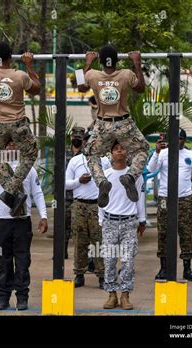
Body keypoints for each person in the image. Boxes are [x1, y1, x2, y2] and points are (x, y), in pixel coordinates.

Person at [0, 140, 48, 311]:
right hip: (1, 222)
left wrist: (43, 215)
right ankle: (3, 297)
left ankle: (22, 297)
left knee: (23, 261)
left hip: (22, 222)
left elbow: (37, 193)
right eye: (7, 144)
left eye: (14, 143)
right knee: (4, 260)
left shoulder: (28, 170)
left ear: (19, 147)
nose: (11, 147)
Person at [0, 41, 41, 217]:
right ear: (11, 57)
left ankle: (10, 192)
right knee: (31, 153)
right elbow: (36, 89)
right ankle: (11, 191)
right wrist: (29, 66)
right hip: (18, 124)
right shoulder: (20, 76)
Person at [78, 44, 149, 209]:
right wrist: (137, 63)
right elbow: (141, 88)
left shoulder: (92, 75)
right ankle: (131, 177)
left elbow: (80, 87)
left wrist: (87, 62)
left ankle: (102, 181)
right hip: (124, 123)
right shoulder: (126, 74)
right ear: (117, 61)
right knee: (142, 149)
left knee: (91, 154)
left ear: (100, 62)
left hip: (103, 124)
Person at [147, 128, 192, 281]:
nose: (178, 141)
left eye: (181, 139)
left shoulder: (190, 156)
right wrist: (156, 152)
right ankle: (163, 268)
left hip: (184, 199)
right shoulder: (163, 154)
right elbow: (151, 169)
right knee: (163, 233)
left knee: (185, 233)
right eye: (175, 138)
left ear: (184, 140)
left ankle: (187, 268)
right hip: (165, 199)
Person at [99, 141, 146, 310]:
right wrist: (100, 220)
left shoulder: (134, 175)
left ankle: (125, 295)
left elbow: (140, 198)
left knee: (128, 261)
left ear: (127, 153)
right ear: (111, 154)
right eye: (116, 149)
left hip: (128, 222)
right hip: (110, 221)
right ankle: (111, 295)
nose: (119, 151)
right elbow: (100, 201)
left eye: (122, 148)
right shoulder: (105, 175)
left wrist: (142, 220)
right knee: (109, 260)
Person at [66, 130, 110, 289]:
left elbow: (109, 182)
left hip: (97, 205)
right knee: (79, 240)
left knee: (99, 241)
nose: (89, 143)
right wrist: (79, 181)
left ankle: (101, 275)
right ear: (84, 142)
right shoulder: (75, 161)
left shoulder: (104, 161)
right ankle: (79, 274)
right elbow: (65, 183)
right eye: (87, 140)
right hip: (79, 205)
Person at [64, 126, 86, 259]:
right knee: (64, 224)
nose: (76, 139)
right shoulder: (64, 152)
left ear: (83, 139)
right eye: (75, 137)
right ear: (71, 137)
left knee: (82, 227)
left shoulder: (86, 154)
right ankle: (63, 250)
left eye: (79, 137)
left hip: (80, 194)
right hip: (66, 195)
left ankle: (84, 256)